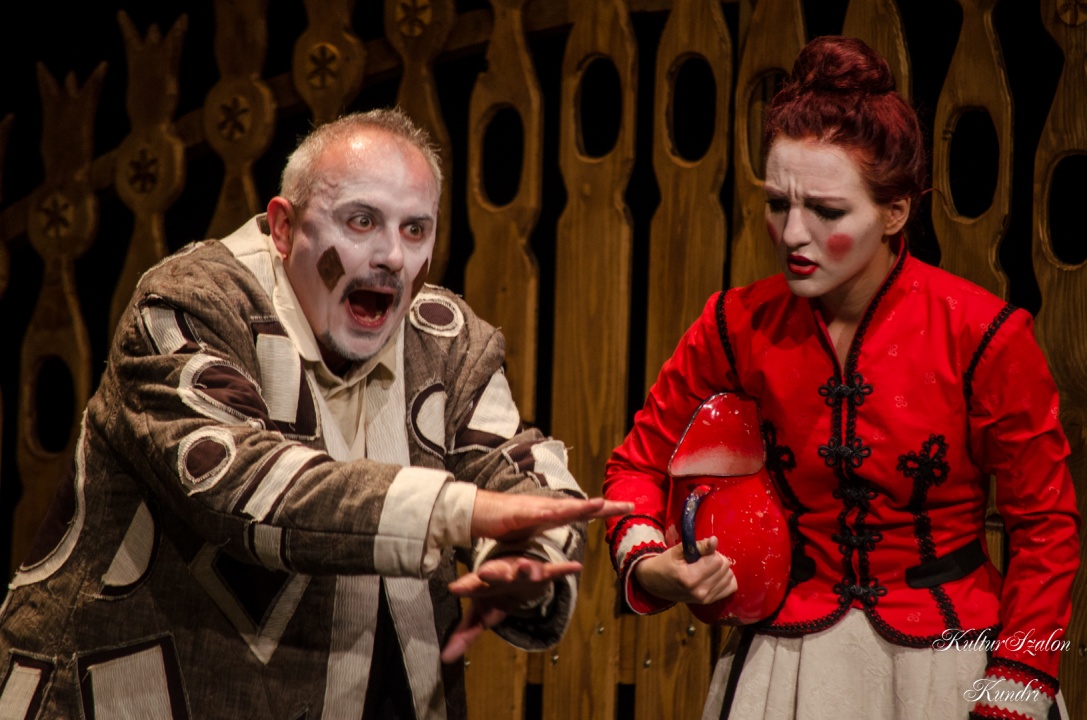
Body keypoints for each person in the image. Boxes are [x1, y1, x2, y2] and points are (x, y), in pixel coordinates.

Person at [0, 107, 629, 720]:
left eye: (415, 229)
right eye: (362, 221)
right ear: (283, 226)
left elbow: (519, 472)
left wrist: (524, 560)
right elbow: (237, 482)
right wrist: (456, 511)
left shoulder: (444, 338)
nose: (393, 256)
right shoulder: (191, 304)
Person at [603, 36, 1080, 720]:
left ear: (895, 211)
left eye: (826, 211)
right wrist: (650, 563)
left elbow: (1045, 528)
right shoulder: (735, 325)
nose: (793, 233)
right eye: (779, 203)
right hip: (787, 665)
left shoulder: (982, 334)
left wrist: (1012, 691)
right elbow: (635, 467)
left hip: (950, 665)